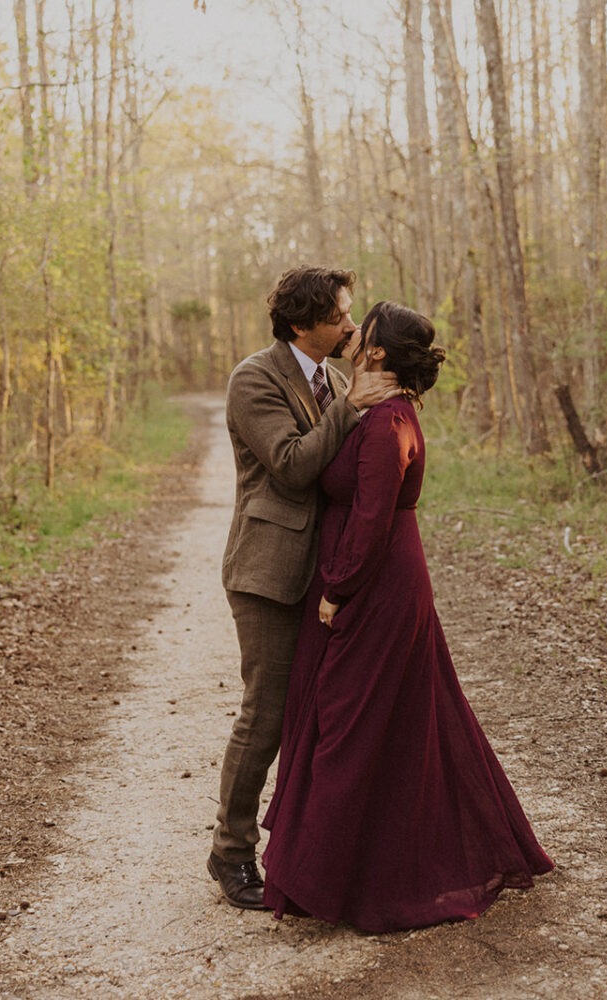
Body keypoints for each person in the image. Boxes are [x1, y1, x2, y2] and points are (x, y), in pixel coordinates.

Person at [261, 301, 554, 933]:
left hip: (376, 587)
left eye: (360, 327)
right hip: (372, 581)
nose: (351, 331)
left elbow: (370, 518)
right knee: (374, 724)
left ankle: (344, 877)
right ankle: (349, 867)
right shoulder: (367, 409)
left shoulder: (387, 421)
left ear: (379, 352)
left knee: (350, 724)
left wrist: (337, 590)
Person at [209, 266, 399, 909]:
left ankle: (308, 852)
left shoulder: (337, 381)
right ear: (300, 325)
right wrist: (349, 410)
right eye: (339, 317)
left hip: (325, 573)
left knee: (322, 717)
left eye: (349, 314)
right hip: (268, 574)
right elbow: (291, 467)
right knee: (265, 717)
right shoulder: (254, 378)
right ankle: (230, 852)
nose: (351, 326)